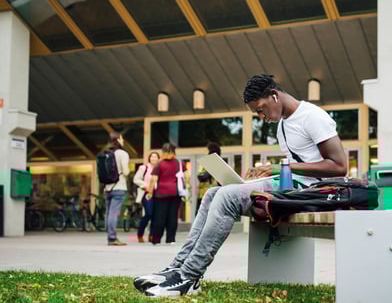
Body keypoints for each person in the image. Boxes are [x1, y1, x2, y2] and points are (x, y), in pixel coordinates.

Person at [133, 73, 347, 297]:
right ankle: (178, 268)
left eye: (261, 109)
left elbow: (339, 165)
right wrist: (262, 179)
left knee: (227, 196)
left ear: (274, 96)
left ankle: (189, 276)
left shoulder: (312, 116)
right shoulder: (283, 125)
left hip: (316, 194)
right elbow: (296, 169)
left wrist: (280, 169)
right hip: (293, 189)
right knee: (214, 193)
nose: (261, 116)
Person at [149, 143, 186, 245]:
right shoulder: (179, 163)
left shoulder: (159, 164)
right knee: (173, 216)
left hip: (161, 194)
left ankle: (156, 239)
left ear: (164, 152)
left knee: (160, 216)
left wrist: (150, 192)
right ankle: (171, 239)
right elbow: (186, 177)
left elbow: (153, 180)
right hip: (175, 193)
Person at [105, 132, 130, 246]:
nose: (123, 140)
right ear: (118, 140)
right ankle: (112, 238)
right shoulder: (122, 153)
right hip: (119, 186)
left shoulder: (106, 153)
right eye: (122, 138)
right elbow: (125, 171)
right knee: (113, 213)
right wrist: (128, 172)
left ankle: (109, 236)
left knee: (108, 213)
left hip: (108, 187)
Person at [133, 151, 160, 243]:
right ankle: (140, 234)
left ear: (158, 159)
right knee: (148, 213)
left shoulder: (160, 169)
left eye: (155, 157)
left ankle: (152, 235)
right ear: (149, 158)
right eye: (152, 156)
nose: (153, 158)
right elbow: (136, 179)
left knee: (155, 215)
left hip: (157, 194)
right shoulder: (144, 168)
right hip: (147, 193)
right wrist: (145, 185)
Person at [196, 142, 221, 215]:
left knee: (205, 216)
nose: (205, 152)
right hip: (204, 194)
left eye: (206, 150)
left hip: (209, 194)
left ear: (211, 151)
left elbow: (202, 177)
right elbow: (200, 175)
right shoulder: (206, 162)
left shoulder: (214, 162)